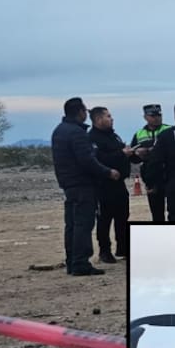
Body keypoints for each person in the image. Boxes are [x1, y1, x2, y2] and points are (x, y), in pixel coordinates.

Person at [51, 97, 120, 276]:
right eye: (84, 110)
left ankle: (72, 261)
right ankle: (81, 263)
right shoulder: (77, 133)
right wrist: (107, 172)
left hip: (68, 184)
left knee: (72, 224)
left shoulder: (59, 131)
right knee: (83, 224)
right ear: (80, 112)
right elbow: (86, 160)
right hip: (82, 184)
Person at [87, 106, 131, 263]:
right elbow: (98, 159)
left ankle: (123, 248)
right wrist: (121, 154)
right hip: (103, 185)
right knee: (104, 219)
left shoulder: (114, 136)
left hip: (119, 184)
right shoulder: (92, 138)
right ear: (99, 119)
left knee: (122, 216)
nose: (111, 119)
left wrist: (130, 153)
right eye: (108, 116)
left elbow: (120, 154)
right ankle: (104, 251)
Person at [128, 104, 171, 222]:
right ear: (145, 117)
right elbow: (133, 157)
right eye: (153, 116)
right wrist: (136, 154)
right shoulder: (139, 134)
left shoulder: (169, 129)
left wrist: (148, 151)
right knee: (157, 214)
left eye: (159, 115)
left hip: (169, 175)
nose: (157, 118)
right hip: (151, 177)